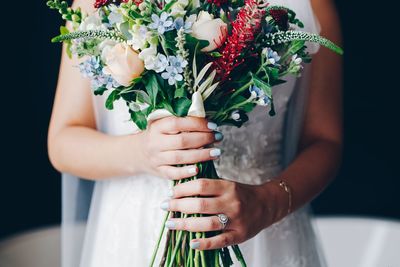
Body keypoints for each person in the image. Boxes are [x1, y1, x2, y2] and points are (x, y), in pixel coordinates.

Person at [48, 0, 342, 266]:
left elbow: (325, 141)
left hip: (261, 234)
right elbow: (63, 141)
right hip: (133, 235)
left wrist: (268, 204)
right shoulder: (91, 6)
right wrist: (142, 152)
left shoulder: (310, 4)